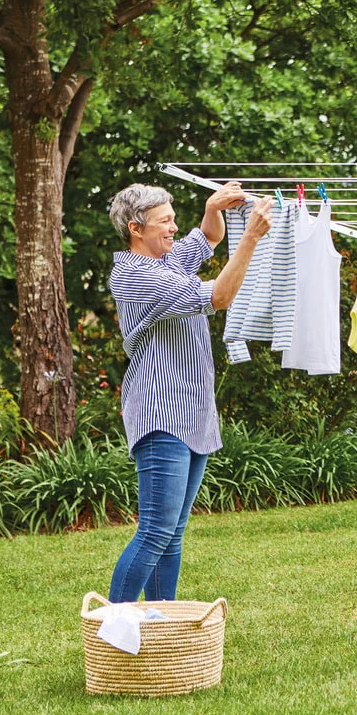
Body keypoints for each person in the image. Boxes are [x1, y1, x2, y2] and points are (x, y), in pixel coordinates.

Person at [106, 181, 272, 603]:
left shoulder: (167, 262)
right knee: (155, 531)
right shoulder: (137, 275)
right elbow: (220, 296)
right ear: (135, 228)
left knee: (173, 533)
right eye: (165, 221)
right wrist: (250, 238)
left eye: (173, 218)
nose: (174, 228)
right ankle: (114, 628)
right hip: (161, 413)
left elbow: (209, 236)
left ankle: (161, 623)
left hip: (192, 411)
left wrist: (212, 206)